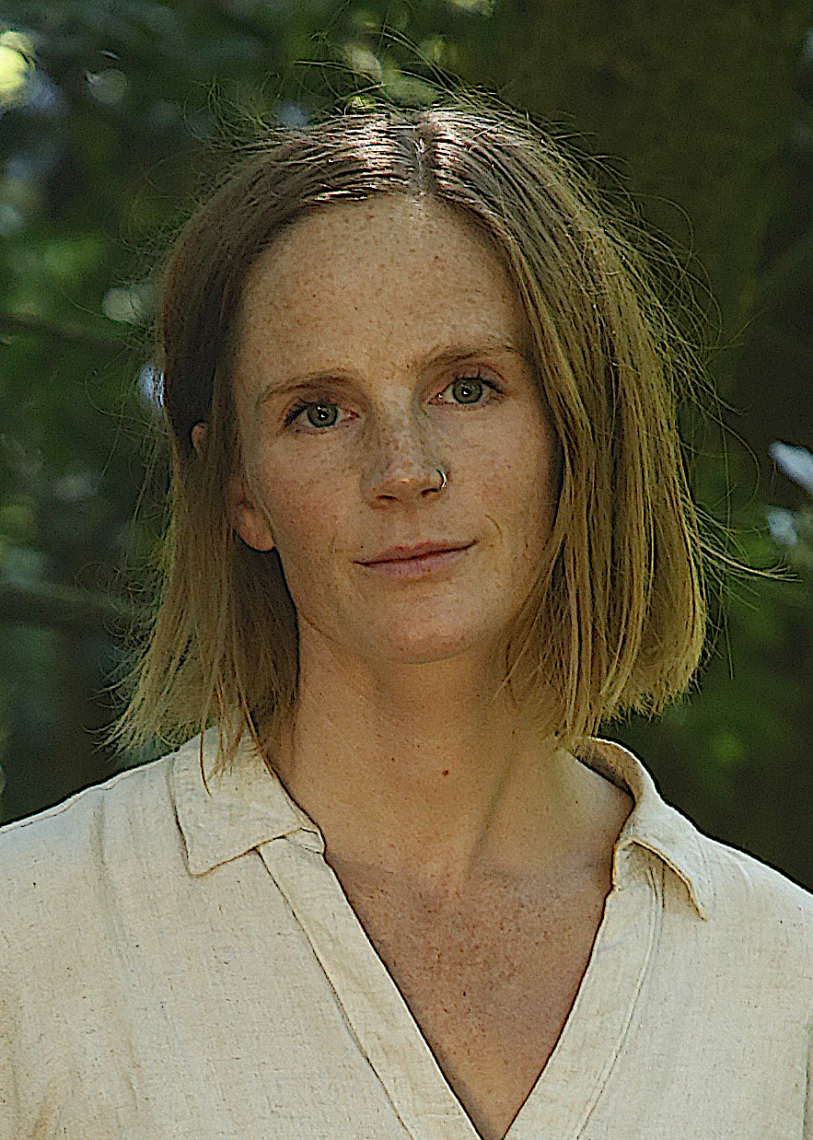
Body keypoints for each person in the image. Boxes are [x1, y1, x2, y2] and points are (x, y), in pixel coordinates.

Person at [1, 92, 811, 1140]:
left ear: (578, 430)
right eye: (320, 411)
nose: (404, 471)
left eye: (468, 389)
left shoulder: (783, 982)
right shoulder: (32, 936)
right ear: (238, 487)